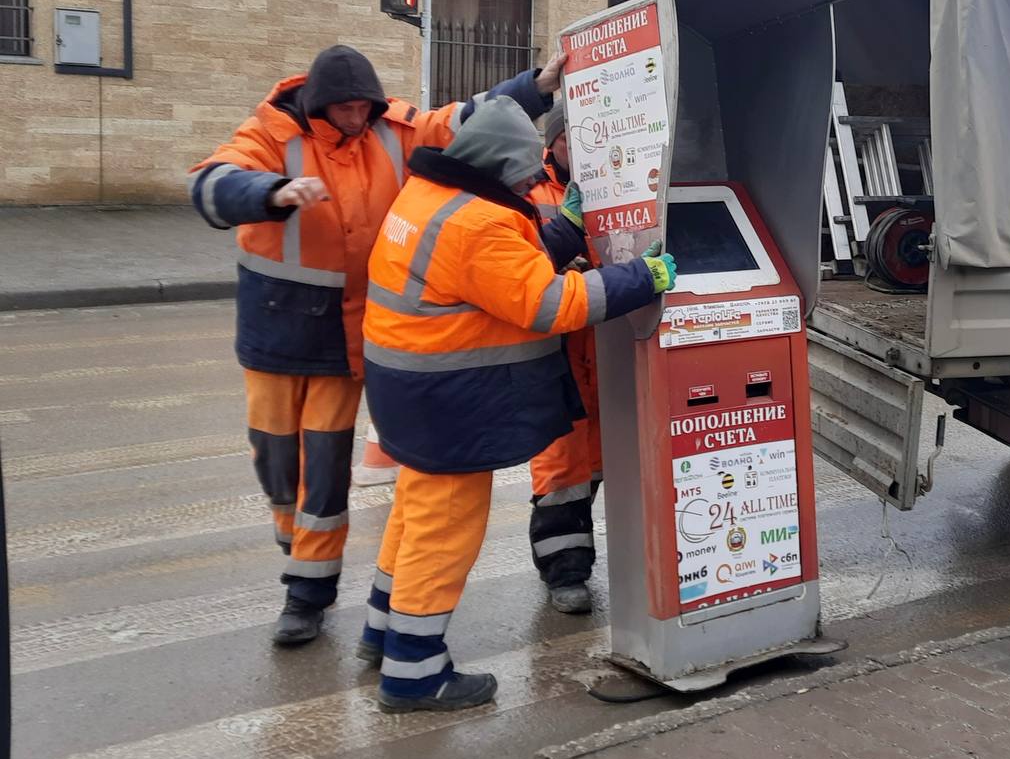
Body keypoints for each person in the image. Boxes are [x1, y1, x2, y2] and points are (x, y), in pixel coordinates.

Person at [187, 44, 562, 645]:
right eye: (346, 110)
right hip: (281, 331)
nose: (358, 119)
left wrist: (536, 86)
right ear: (319, 106)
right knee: (279, 463)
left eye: (366, 107)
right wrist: (272, 193)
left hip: (356, 336)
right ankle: (297, 549)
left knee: (324, 464)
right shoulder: (270, 133)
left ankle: (306, 593)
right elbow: (211, 184)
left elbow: (464, 119)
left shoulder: (392, 129)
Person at [356, 96, 676, 712]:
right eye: (526, 174)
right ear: (499, 166)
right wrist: (644, 276)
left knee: (413, 516)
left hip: (409, 391)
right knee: (445, 531)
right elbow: (548, 303)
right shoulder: (477, 224)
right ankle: (414, 674)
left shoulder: (428, 197)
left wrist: (567, 229)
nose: (533, 185)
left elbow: (502, 272)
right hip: (449, 402)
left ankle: (382, 630)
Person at [523, 100, 603, 614]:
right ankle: (564, 570)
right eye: (572, 139)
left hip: (609, 345)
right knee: (562, 467)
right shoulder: (530, 193)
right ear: (552, 143)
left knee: (599, 462)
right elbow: (517, 266)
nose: (583, 150)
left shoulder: (621, 185)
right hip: (559, 352)